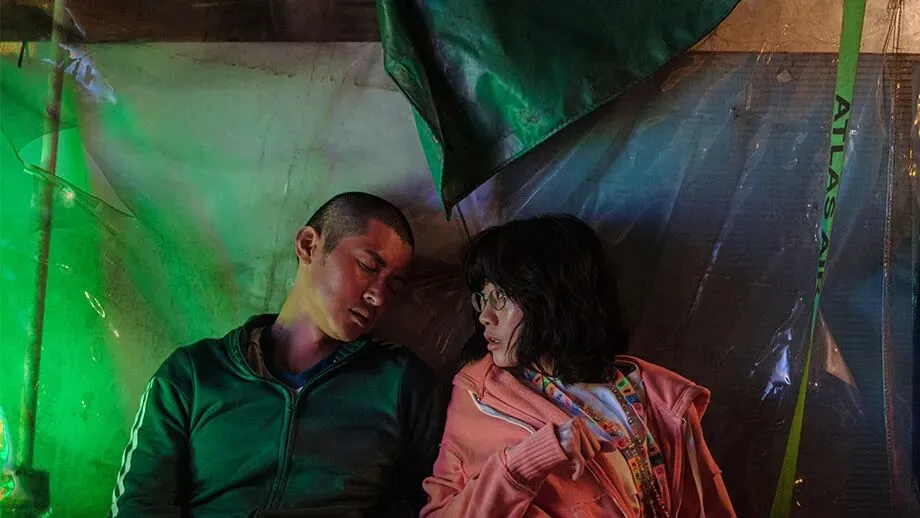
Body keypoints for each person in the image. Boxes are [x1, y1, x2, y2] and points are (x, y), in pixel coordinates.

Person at [109, 192, 447, 517]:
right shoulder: (193, 376)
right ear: (308, 245)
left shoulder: (403, 384)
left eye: (394, 286)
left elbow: (441, 503)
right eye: (368, 266)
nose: (379, 296)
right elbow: (140, 503)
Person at [422, 214, 735, 517]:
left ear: (553, 297)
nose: (485, 316)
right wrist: (526, 462)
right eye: (483, 297)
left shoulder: (661, 397)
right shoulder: (479, 400)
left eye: (501, 296)